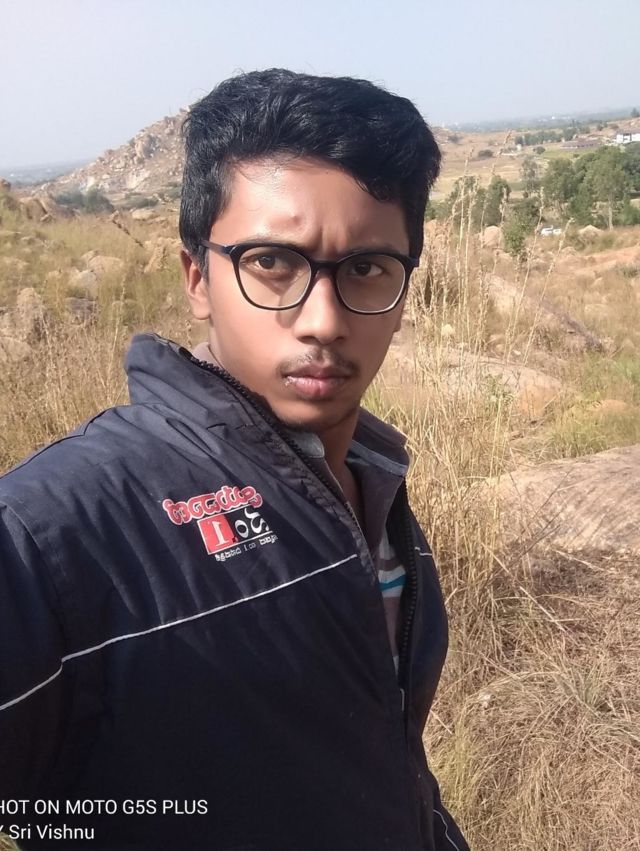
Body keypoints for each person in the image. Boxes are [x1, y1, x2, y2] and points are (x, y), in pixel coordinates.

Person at [0, 69, 470, 850]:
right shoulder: (55, 532)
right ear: (197, 278)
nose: (322, 320)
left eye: (366, 268)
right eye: (273, 263)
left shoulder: (372, 480)